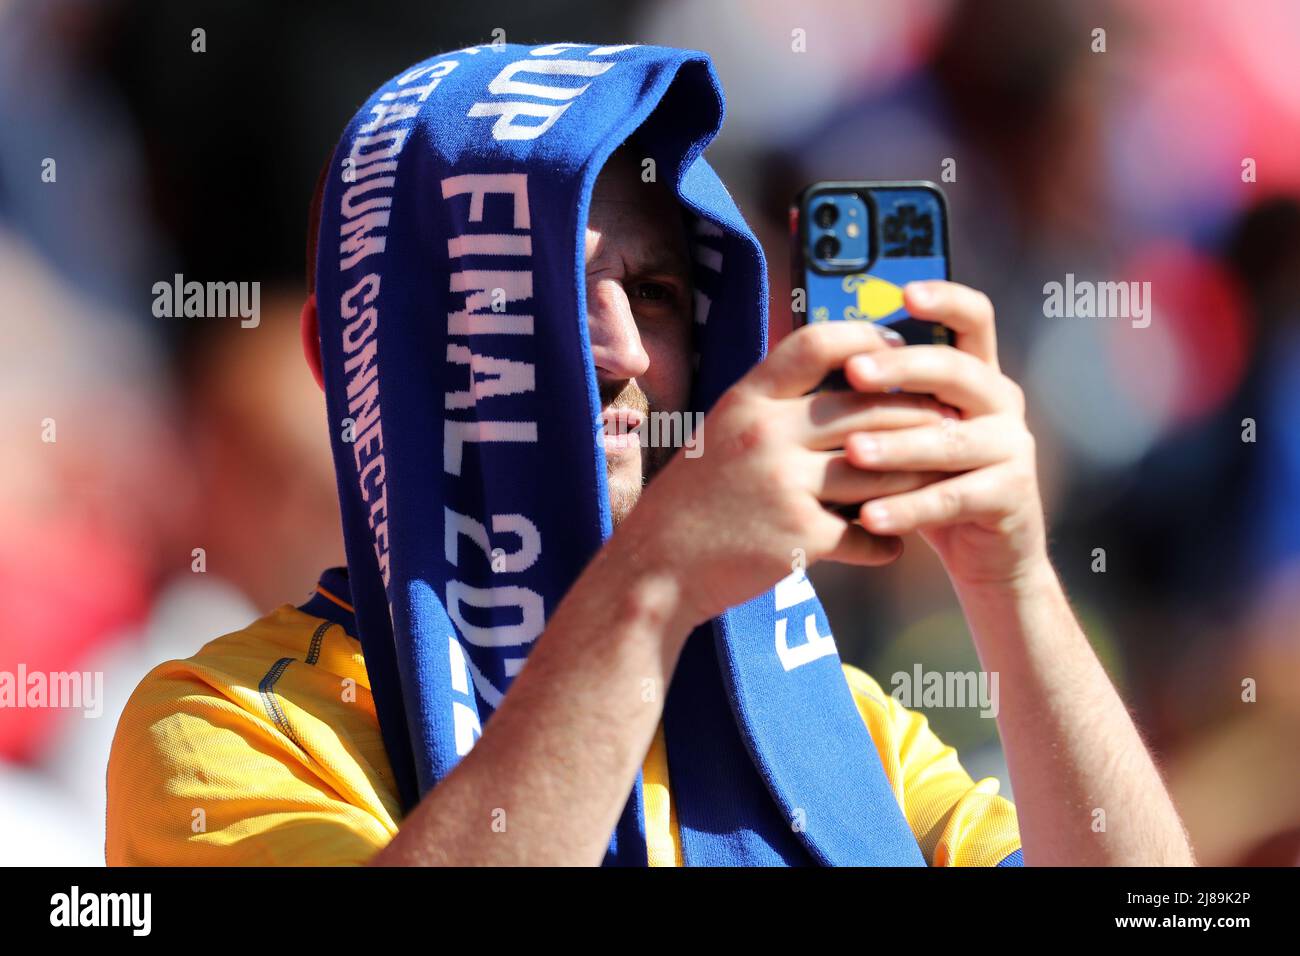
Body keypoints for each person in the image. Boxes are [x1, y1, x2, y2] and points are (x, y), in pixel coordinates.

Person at [107, 42, 1193, 867]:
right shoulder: (224, 725)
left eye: (660, 293)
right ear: (357, 354)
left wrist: (1013, 584)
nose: (622, 348)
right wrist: (655, 583)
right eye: (533, 288)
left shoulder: (825, 714)